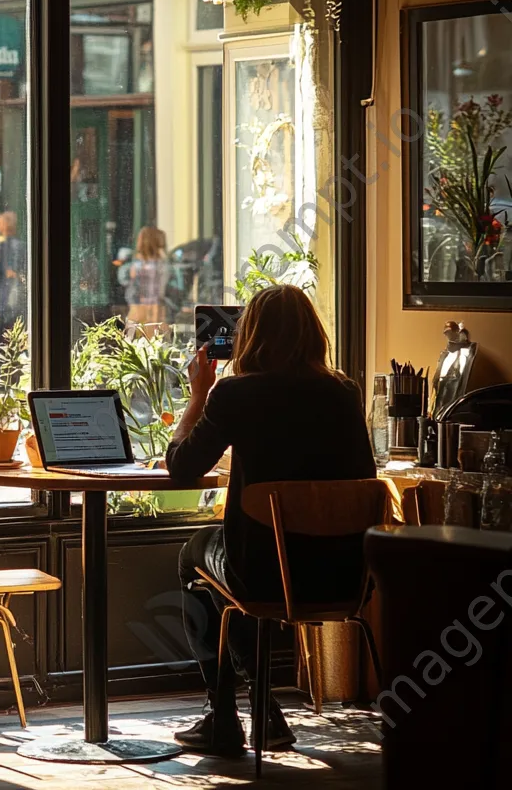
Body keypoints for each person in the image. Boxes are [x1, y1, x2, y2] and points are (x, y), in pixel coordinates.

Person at [167, 285, 375, 757]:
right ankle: (263, 711)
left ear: (250, 336)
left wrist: (198, 394)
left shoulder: (236, 393)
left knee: (195, 559)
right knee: (235, 577)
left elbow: (182, 466)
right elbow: (365, 479)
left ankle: (225, 717)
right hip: (344, 578)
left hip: (265, 574)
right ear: (313, 334)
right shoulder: (343, 391)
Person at [118, 225, 171, 334]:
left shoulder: (135, 264)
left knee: (133, 344)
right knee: (159, 344)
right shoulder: (163, 264)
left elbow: (123, 280)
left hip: (138, 308)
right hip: (156, 310)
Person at [0, 211, 26, 352]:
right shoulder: (15, 244)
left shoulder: (6, 245)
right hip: (10, 292)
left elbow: (0, 272)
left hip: (8, 292)